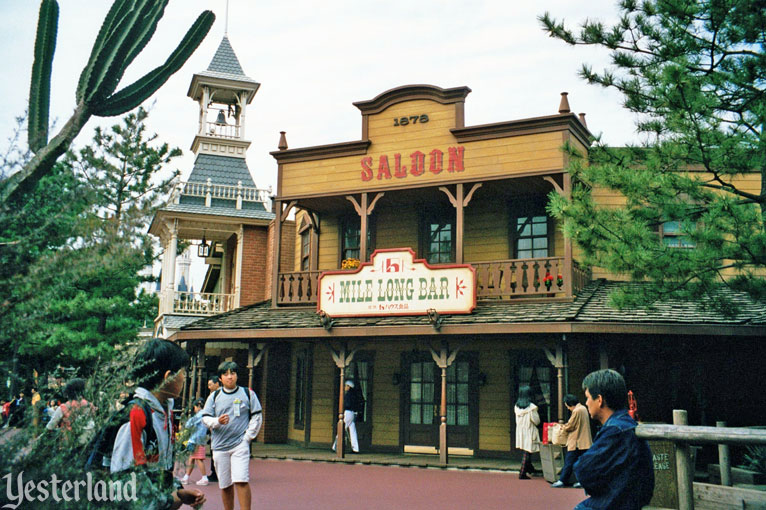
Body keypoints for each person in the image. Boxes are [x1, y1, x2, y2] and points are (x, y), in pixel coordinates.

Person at [110, 338, 205, 510]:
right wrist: (170, 500)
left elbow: (158, 470)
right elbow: (125, 481)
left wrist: (178, 491)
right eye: (183, 372)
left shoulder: (164, 412)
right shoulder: (136, 415)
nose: (185, 378)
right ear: (168, 377)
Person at [573, 369, 654, 510]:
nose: (586, 403)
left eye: (587, 397)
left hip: (612, 503)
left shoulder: (616, 430)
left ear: (599, 400)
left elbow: (583, 470)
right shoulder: (624, 425)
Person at [201, 361, 262, 510]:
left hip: (239, 445)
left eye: (232, 373)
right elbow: (205, 418)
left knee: (241, 480)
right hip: (219, 447)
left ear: (237, 376)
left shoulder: (248, 394)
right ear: (220, 378)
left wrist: (247, 437)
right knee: (225, 484)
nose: (230, 377)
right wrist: (217, 421)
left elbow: (257, 415)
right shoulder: (214, 397)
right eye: (226, 374)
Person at [551, 394, 592, 488]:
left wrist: (562, 427)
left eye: (567, 406)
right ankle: (581, 481)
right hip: (584, 441)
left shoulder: (576, 411)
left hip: (576, 441)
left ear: (569, 404)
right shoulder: (583, 408)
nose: (568, 408)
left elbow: (570, 426)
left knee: (569, 462)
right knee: (582, 463)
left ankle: (562, 480)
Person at [45, 377, 95, 445]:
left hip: (71, 441)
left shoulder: (63, 408)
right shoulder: (88, 404)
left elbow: (51, 425)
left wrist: (46, 432)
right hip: (90, 437)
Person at [514, 384, 541, 479]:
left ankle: (530, 468)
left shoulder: (516, 407)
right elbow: (536, 421)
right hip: (529, 430)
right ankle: (522, 472)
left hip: (521, 431)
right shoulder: (532, 408)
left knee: (526, 450)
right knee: (528, 451)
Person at [181, 399, 209, 486]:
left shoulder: (200, 414)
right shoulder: (206, 413)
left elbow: (189, 424)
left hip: (196, 439)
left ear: (198, 406)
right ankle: (186, 477)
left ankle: (204, 478)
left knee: (198, 459)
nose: (194, 409)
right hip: (199, 439)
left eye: (195, 407)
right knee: (192, 458)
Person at [331, 380, 360, 454]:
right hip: (353, 413)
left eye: (346, 386)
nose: (344, 387)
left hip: (348, 412)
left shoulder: (348, 395)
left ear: (349, 387)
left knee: (341, 428)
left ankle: (335, 446)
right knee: (352, 431)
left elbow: (347, 405)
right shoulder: (354, 395)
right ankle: (355, 448)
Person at [206, 376, 221, 482]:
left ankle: (216, 473)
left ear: (217, 384)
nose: (209, 387)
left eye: (211, 384)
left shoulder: (219, 395)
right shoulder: (212, 395)